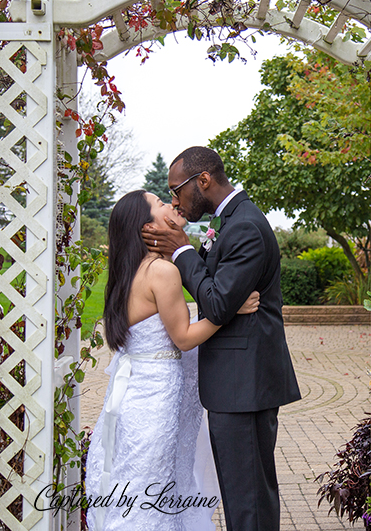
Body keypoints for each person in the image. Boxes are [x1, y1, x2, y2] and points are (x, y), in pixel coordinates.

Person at [142, 146, 301, 531]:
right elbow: (218, 292)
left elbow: (215, 301)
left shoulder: (244, 225)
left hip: (244, 385)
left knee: (249, 502)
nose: (176, 200)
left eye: (176, 190)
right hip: (237, 385)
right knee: (242, 494)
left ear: (203, 181)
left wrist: (181, 250)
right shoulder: (229, 220)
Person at [84, 190, 261, 531]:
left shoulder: (130, 270)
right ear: (147, 226)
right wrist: (228, 310)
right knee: (153, 484)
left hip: (134, 395)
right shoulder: (162, 271)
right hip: (155, 401)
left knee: (138, 482)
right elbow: (182, 337)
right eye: (161, 204)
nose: (172, 204)